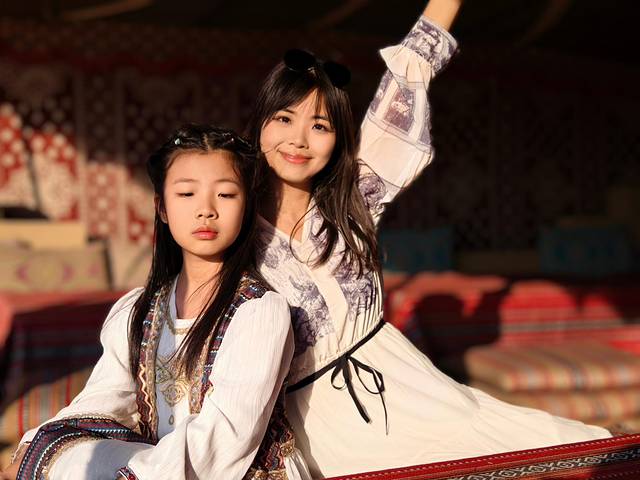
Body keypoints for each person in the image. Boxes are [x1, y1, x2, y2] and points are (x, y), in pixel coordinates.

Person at [246, 0, 612, 477]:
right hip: (321, 428)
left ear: (337, 141)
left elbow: (412, 67)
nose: (299, 139)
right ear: (260, 123)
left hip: (409, 396)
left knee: (571, 452)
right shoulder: (234, 228)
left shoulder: (356, 197)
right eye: (284, 119)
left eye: (319, 126)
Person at [1, 125, 311, 480]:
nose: (206, 210)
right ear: (161, 207)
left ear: (246, 207)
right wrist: (38, 448)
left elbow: (222, 443)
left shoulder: (259, 312)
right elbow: (103, 401)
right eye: (186, 194)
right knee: (76, 453)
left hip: (235, 473)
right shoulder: (137, 310)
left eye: (225, 195)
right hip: (155, 465)